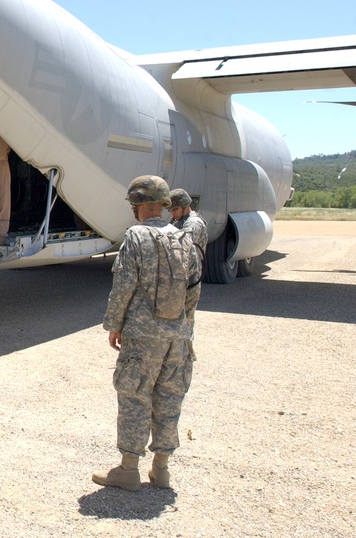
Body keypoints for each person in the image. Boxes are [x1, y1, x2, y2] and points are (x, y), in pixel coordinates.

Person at [93, 175, 201, 492]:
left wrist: (115, 325)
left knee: (134, 398)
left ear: (138, 205)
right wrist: (183, 327)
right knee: (169, 399)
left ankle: (128, 470)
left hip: (143, 337)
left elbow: (123, 287)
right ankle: (161, 470)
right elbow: (193, 291)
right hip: (178, 335)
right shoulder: (184, 239)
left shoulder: (136, 237)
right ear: (164, 204)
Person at [168, 188, 208, 333]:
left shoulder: (193, 223)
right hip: (182, 278)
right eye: (171, 210)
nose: (173, 213)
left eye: (175, 209)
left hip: (190, 281)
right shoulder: (180, 221)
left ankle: (188, 355)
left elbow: (182, 245)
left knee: (185, 326)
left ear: (185, 206)